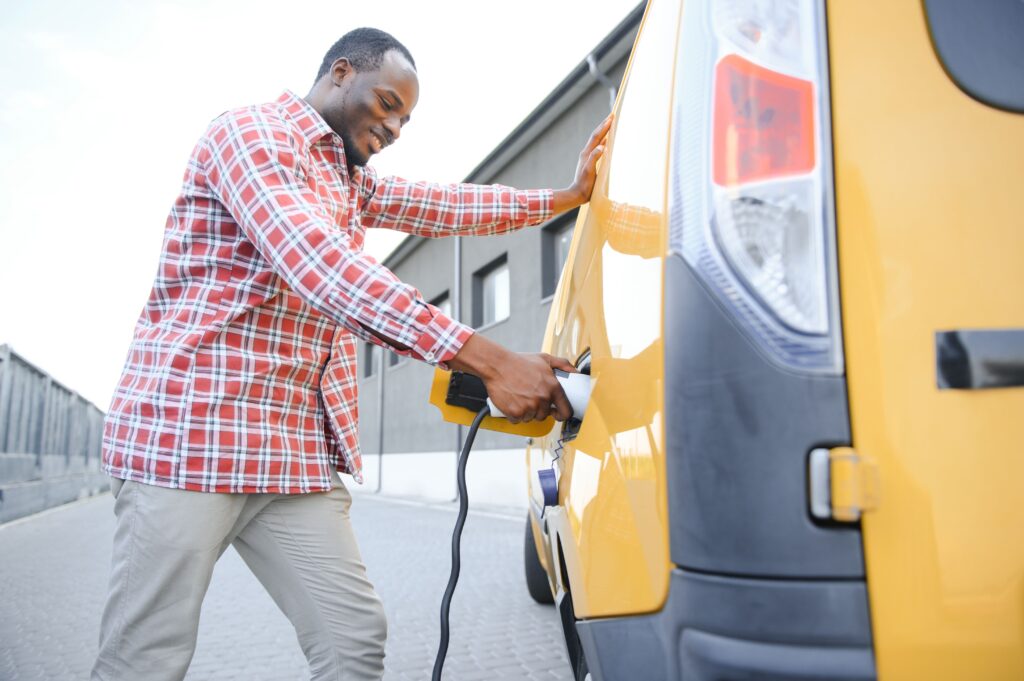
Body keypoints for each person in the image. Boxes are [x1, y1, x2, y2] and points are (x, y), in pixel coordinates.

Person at [92, 27, 611, 681]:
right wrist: (490, 360)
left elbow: (446, 204)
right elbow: (323, 266)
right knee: (146, 658)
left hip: (286, 453)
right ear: (341, 73)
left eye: (406, 119)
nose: (395, 128)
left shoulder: (349, 185)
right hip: (189, 440)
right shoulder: (250, 136)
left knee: (353, 638)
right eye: (389, 104)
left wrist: (563, 199)